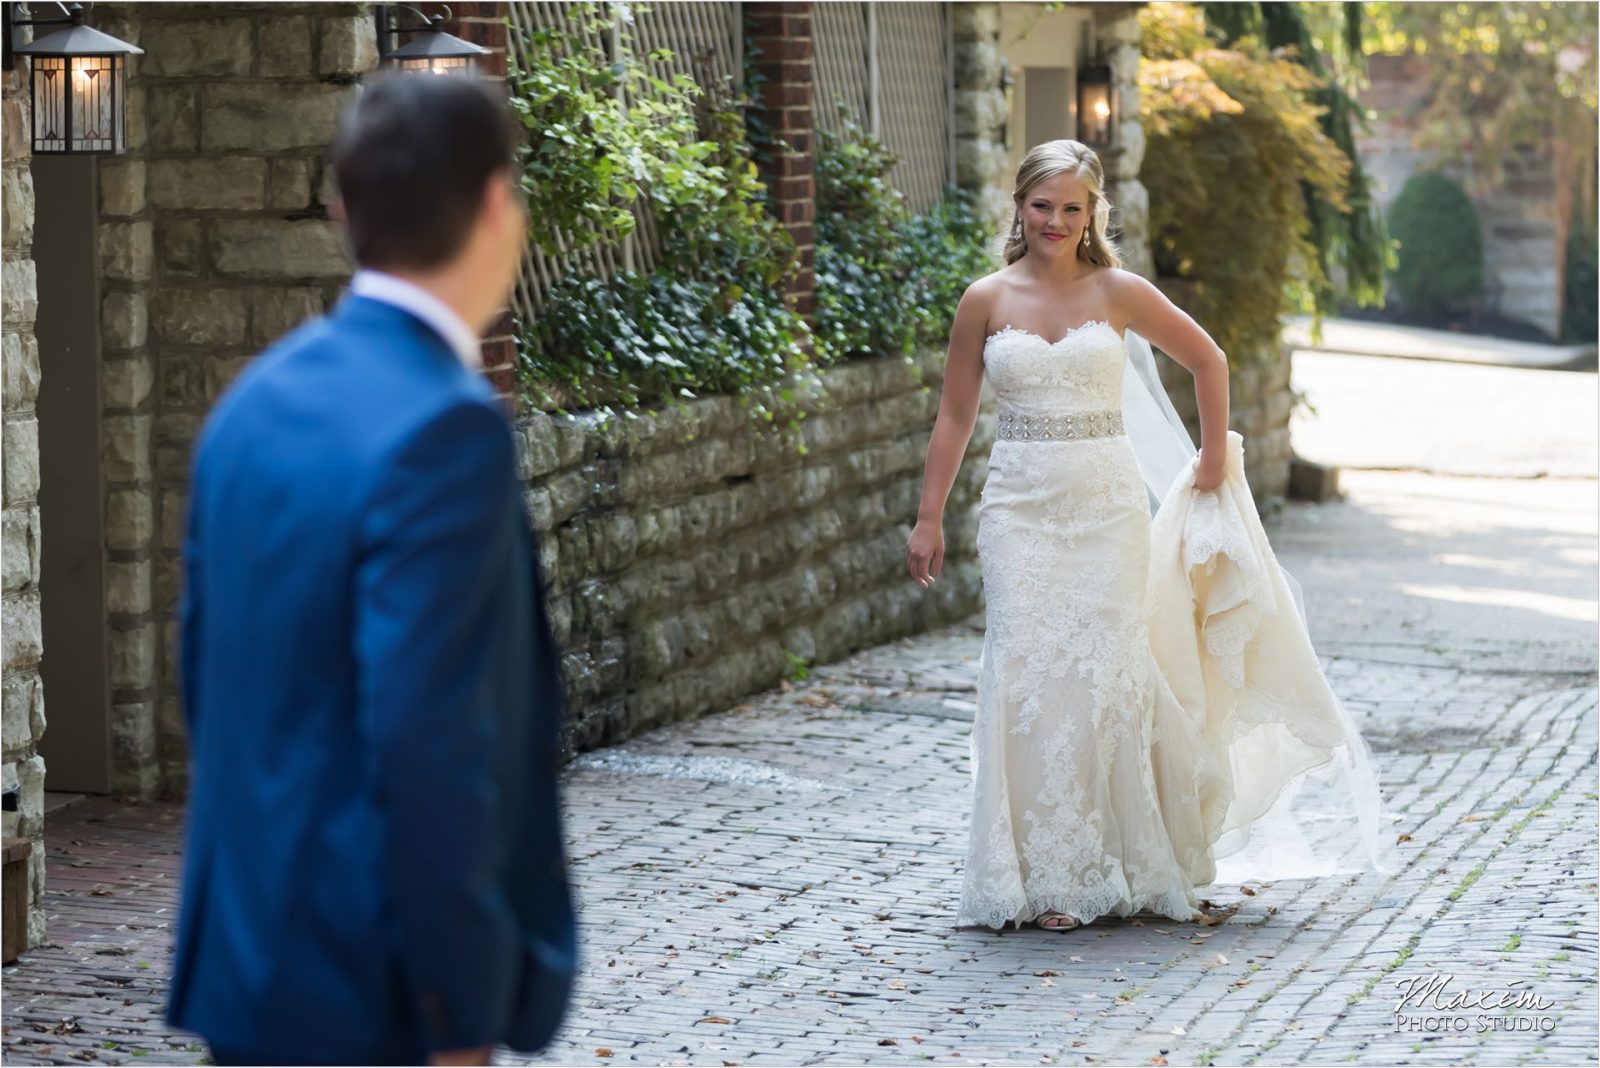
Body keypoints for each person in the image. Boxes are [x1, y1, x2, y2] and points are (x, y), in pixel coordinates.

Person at [166, 73, 577, 1064]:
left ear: (347, 210)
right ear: (495, 206)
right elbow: (434, 745)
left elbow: (205, 678)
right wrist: (462, 1009)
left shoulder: (252, 400)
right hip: (380, 992)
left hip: (252, 970)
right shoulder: (445, 428)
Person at [906, 139, 1397, 933]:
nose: (1056, 221)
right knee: (1026, 678)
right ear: (1019, 207)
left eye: (1073, 208)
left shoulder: (1120, 291)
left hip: (1105, 510)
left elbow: (1208, 358)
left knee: (1102, 677)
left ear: (1093, 212)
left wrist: (1209, 456)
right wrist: (929, 516)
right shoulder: (984, 300)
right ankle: (1038, 870)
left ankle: (1103, 861)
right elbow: (956, 415)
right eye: (1043, 206)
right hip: (1018, 509)